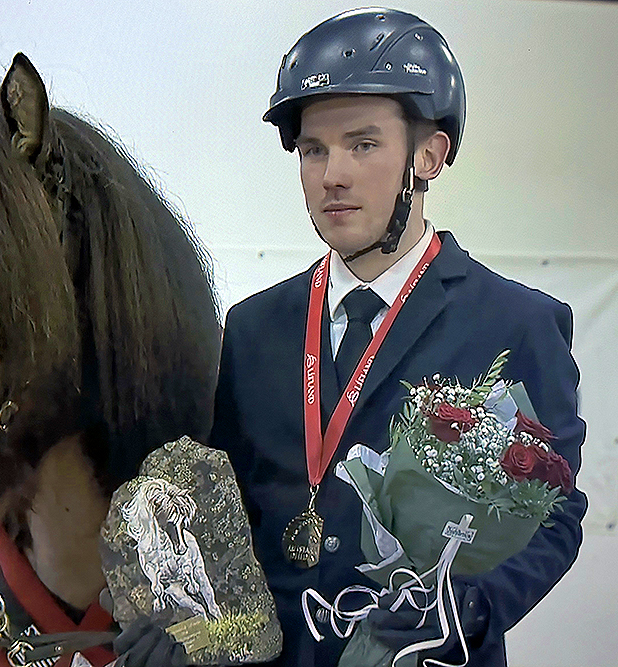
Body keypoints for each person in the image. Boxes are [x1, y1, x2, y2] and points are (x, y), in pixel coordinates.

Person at [208, 7, 587, 667]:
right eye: (313, 150)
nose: (333, 175)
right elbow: (228, 512)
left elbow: (552, 514)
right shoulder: (252, 327)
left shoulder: (517, 324)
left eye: (363, 143)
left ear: (428, 154)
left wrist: (474, 604)